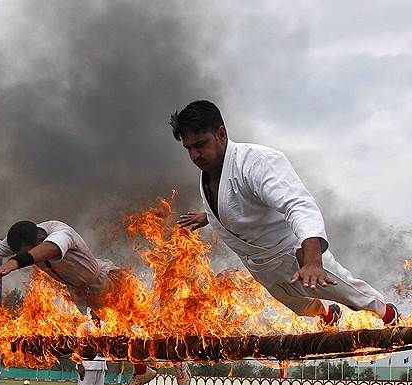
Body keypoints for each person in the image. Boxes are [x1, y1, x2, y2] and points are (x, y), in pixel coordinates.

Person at [171, 100, 399, 327]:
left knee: (352, 294)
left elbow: (297, 204)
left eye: (201, 144)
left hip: (295, 255)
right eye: (189, 148)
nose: (195, 155)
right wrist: (210, 215)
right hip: (261, 267)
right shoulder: (209, 175)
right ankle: (329, 315)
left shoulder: (257, 162)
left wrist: (312, 260)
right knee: (300, 306)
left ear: (221, 134)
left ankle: (390, 316)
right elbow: (233, 203)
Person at [0, 220, 192, 385]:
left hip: (106, 281)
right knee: (116, 337)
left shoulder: (60, 233)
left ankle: (179, 361)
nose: (17, 255)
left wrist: (16, 263)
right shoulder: (22, 243)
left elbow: (48, 249)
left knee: (139, 323)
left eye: (23, 252)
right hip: (83, 294)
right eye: (16, 253)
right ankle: (142, 370)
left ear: (35, 238)